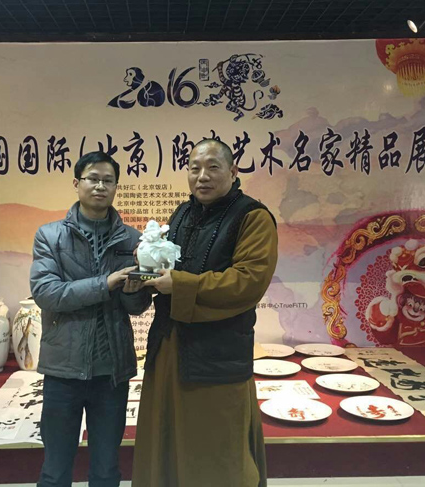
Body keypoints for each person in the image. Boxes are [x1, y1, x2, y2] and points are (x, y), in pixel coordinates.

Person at [133, 139, 278, 487]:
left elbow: (248, 281)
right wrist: (145, 276)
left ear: (233, 171)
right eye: (194, 168)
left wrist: (179, 285)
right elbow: (167, 266)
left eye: (213, 167)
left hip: (217, 356)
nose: (203, 176)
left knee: (216, 452)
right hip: (169, 347)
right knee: (166, 442)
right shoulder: (183, 213)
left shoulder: (252, 217)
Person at [30, 151, 151, 487]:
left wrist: (133, 290)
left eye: (108, 180)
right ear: (77, 183)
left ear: (116, 187)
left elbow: (137, 307)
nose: (100, 186)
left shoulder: (133, 239)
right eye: (93, 179)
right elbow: (46, 293)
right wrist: (106, 283)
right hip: (63, 371)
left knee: (106, 470)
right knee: (55, 470)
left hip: (111, 372)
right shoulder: (50, 236)